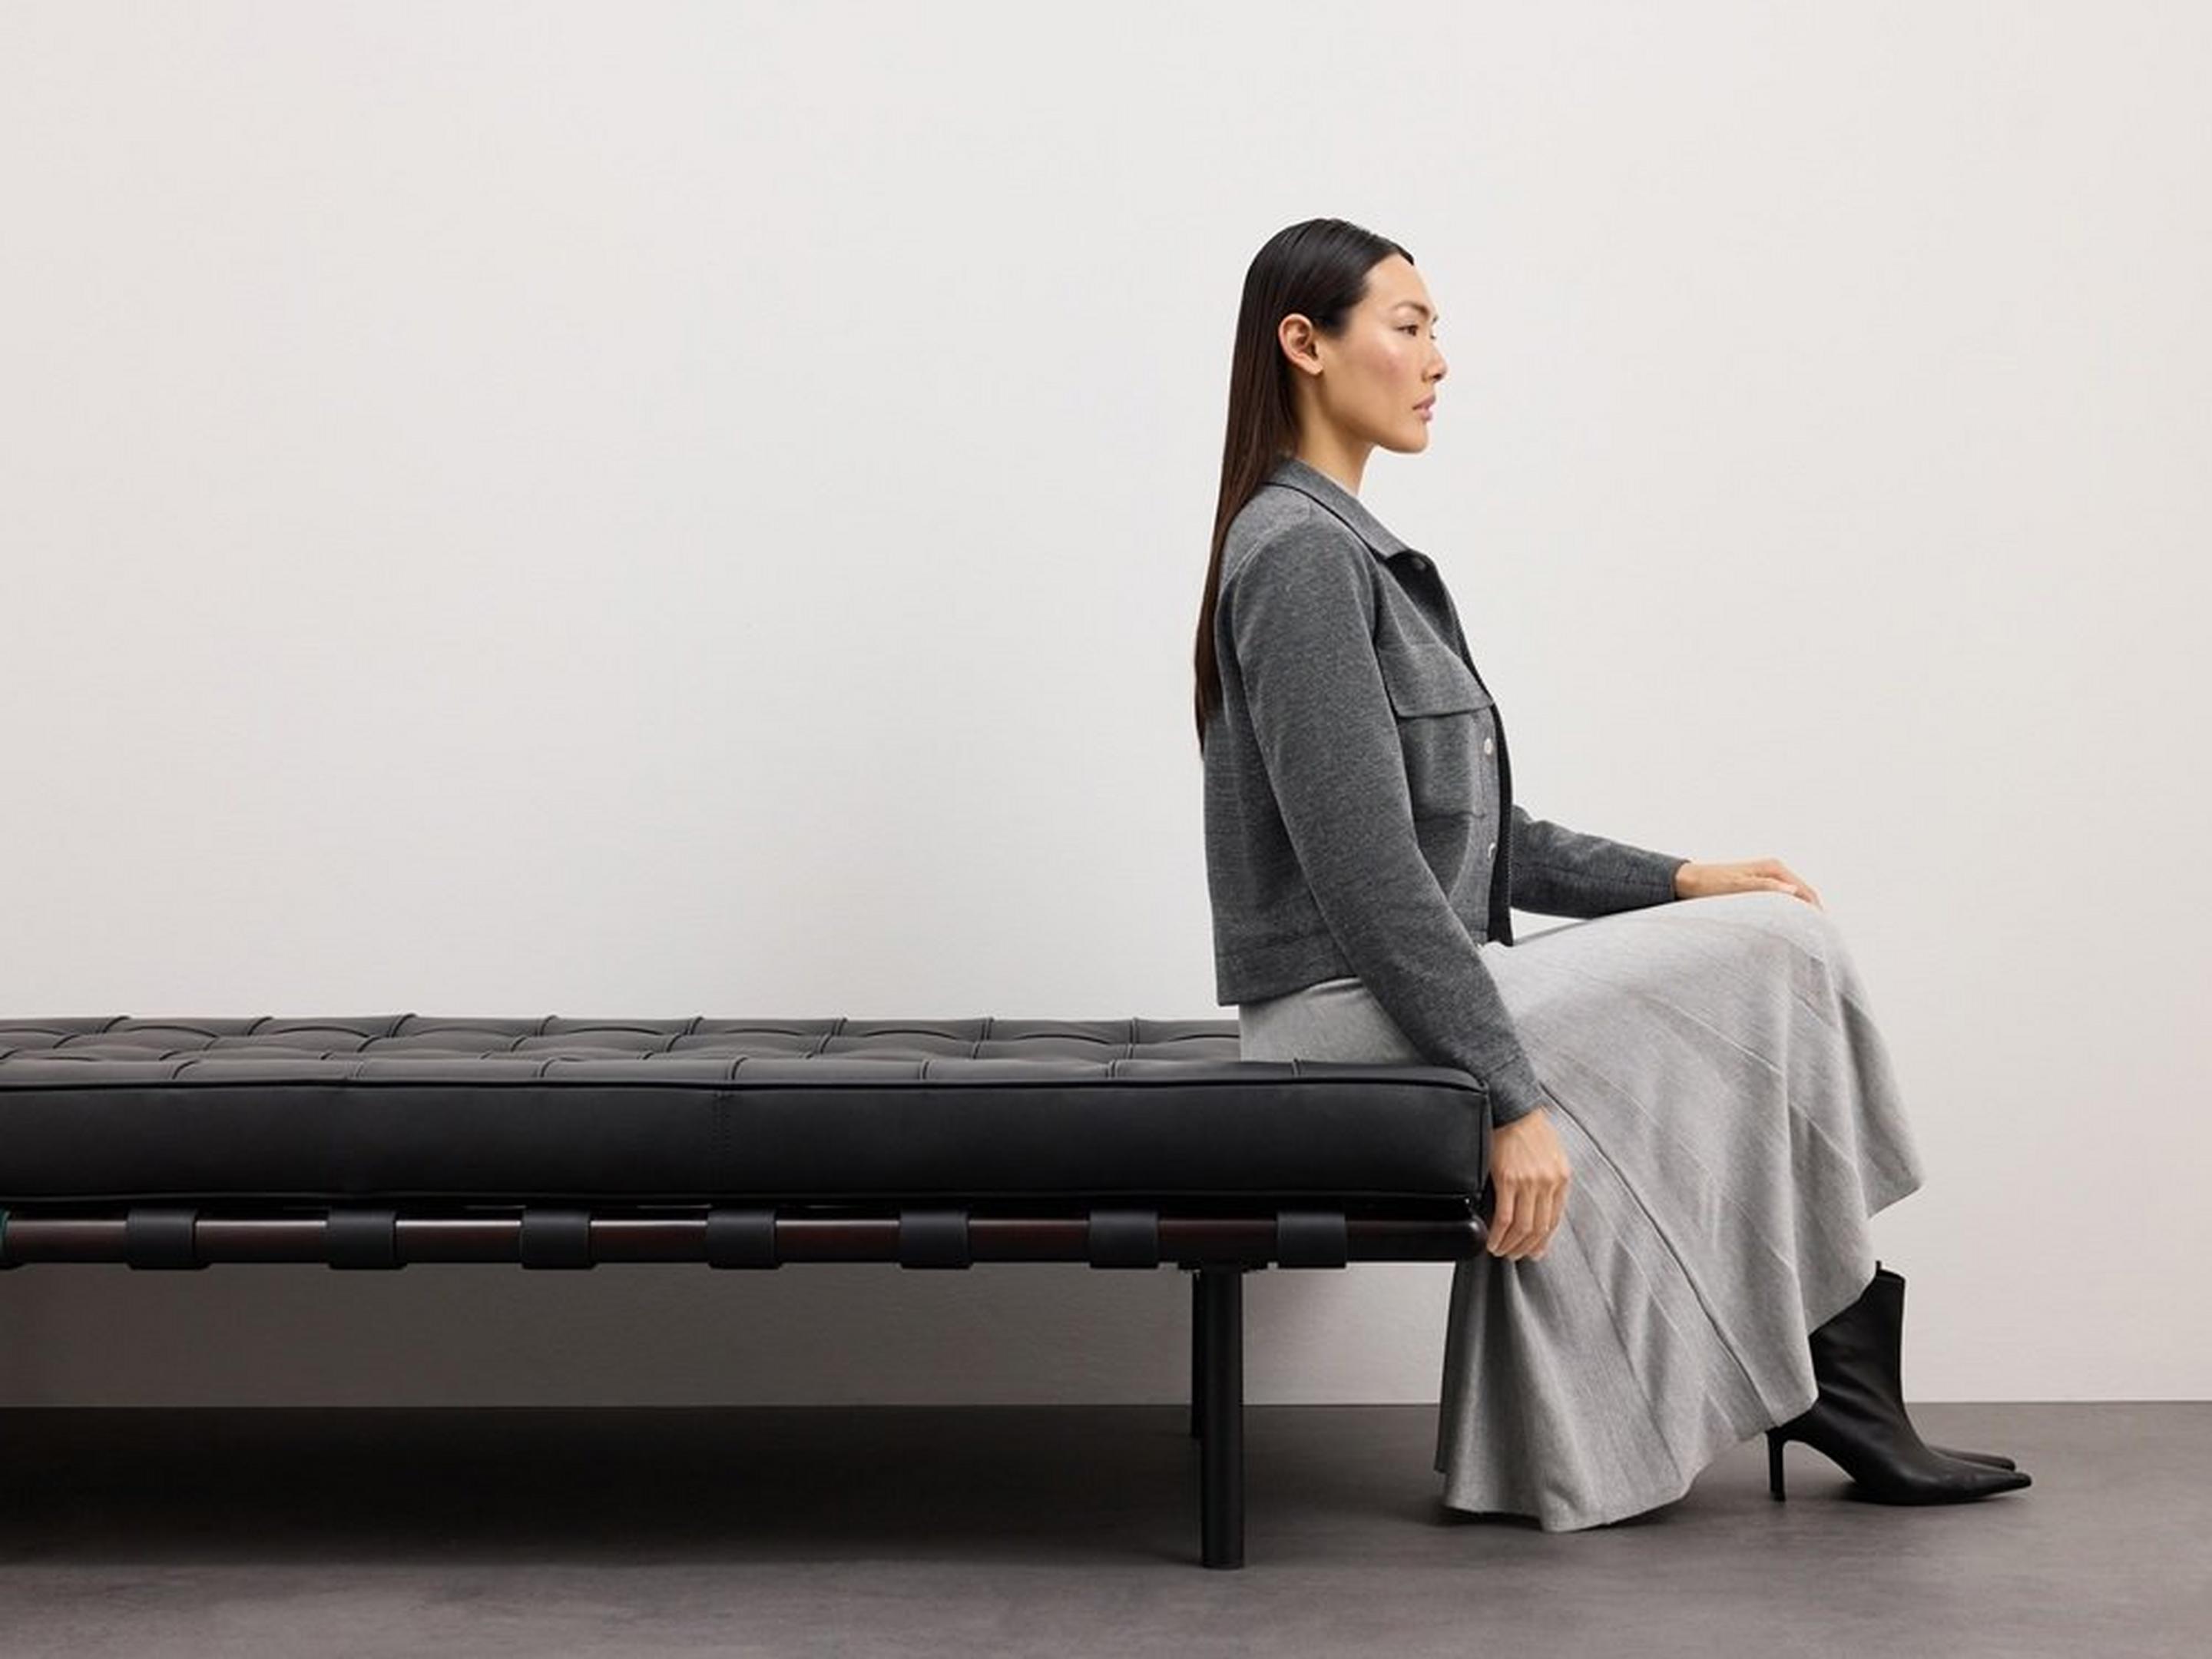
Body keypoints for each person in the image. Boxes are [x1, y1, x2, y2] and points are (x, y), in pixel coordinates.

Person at [1194, 217, 2031, 1530]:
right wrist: (1508, 1095)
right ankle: (1836, 1354)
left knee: (1764, 928)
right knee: (1788, 952)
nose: (1438, 359)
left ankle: (1833, 1358)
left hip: (1401, 984)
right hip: (1337, 1018)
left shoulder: (1339, 547)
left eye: (1436, 329)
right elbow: (1370, 880)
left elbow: (1482, 836)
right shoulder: (1301, 553)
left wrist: (1687, 878)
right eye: (1408, 326)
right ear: (1306, 343)